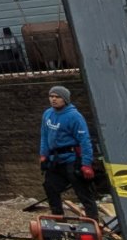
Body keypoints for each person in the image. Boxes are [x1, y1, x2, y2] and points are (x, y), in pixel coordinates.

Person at [39, 84, 98, 220]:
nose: (53, 99)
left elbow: (84, 141)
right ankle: (58, 218)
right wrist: (43, 155)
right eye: (51, 96)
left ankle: (93, 222)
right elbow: (44, 135)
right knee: (50, 187)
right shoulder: (47, 114)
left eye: (57, 97)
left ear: (65, 99)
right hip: (55, 160)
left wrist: (86, 163)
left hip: (71, 159)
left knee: (83, 193)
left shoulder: (74, 116)